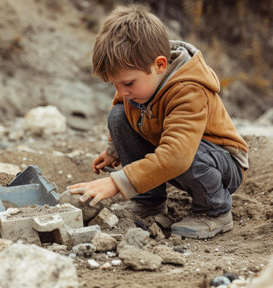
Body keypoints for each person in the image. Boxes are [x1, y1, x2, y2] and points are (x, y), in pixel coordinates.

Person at [67, 4, 248, 239]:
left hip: (222, 164)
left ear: (160, 65)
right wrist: (113, 149)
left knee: (185, 152)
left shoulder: (188, 90)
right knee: (119, 116)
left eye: (128, 83)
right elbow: (123, 109)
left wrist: (117, 183)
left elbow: (177, 155)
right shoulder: (137, 84)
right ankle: (148, 202)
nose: (121, 91)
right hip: (178, 155)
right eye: (115, 84)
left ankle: (214, 211)